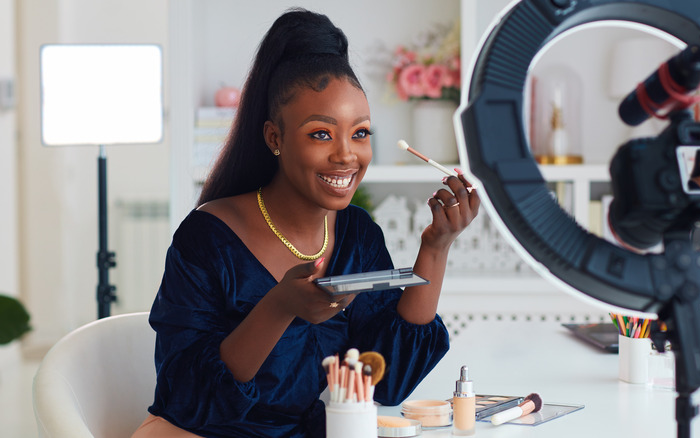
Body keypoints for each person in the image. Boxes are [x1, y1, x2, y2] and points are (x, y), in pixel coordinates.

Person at [132, 8, 479, 438]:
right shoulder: (207, 239)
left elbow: (388, 380)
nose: (346, 155)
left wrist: (436, 245)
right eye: (321, 134)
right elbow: (188, 398)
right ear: (274, 138)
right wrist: (278, 308)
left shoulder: (356, 235)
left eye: (361, 133)